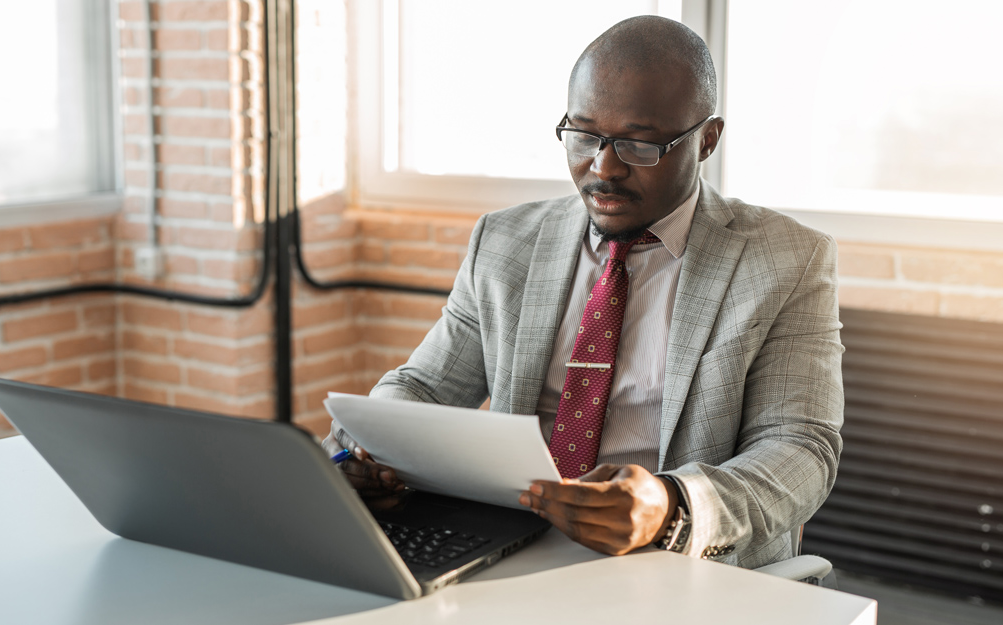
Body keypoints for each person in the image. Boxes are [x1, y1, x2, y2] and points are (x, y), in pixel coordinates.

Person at [325, 15, 842, 569]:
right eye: (584, 135)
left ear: (707, 139)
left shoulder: (786, 259)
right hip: (506, 547)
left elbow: (800, 448)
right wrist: (367, 454)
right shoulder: (506, 243)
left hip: (675, 564)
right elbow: (422, 387)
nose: (604, 166)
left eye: (640, 144)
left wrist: (673, 506)